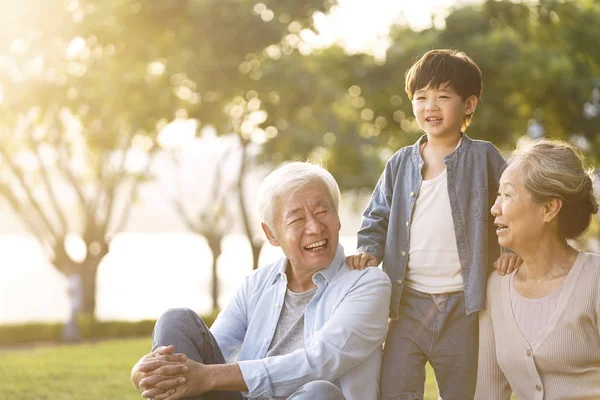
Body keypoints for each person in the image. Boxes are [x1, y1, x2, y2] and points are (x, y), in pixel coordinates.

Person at [130, 161, 392, 400]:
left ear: (337, 220)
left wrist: (207, 377)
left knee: (319, 392)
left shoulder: (368, 284)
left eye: (323, 212)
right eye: (297, 218)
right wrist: (144, 373)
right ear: (271, 234)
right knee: (176, 319)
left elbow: (319, 362)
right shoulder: (256, 285)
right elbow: (209, 349)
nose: (314, 227)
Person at [346, 49, 521, 400]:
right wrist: (368, 249)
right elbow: (377, 215)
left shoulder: (484, 157)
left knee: (464, 392)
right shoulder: (399, 164)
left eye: (443, 96)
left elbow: (509, 207)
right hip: (408, 303)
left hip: (465, 305)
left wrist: (510, 250)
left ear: (469, 105)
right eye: (421, 97)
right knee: (395, 388)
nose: (431, 106)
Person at [475, 139, 600, 399]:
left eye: (507, 195)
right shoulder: (496, 287)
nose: (494, 208)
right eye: (498, 195)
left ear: (549, 208)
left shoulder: (594, 280)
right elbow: (488, 393)